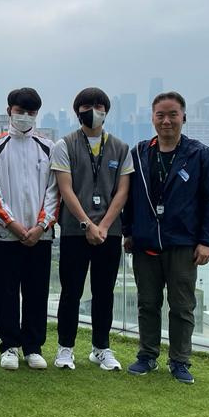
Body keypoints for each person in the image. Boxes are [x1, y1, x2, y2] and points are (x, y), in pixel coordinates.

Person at [122, 91, 209, 384]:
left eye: (172, 115)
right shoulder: (140, 153)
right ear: (152, 119)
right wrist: (128, 231)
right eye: (160, 115)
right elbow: (127, 196)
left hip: (183, 244)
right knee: (147, 303)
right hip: (145, 243)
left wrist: (207, 241)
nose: (166, 121)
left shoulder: (199, 155)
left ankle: (179, 361)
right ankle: (147, 355)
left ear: (184, 117)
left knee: (181, 306)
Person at [51, 87, 133, 373]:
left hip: (109, 233)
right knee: (70, 291)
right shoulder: (65, 145)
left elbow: (122, 191)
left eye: (99, 106)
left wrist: (104, 226)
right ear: (78, 112)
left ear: (106, 111)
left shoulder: (121, 148)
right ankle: (65, 348)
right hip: (75, 230)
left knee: (104, 292)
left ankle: (101, 348)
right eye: (87, 107)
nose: (93, 112)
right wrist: (87, 223)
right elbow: (65, 189)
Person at [0, 88, 59, 371]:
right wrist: (13, 224)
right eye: (20, 111)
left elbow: (54, 191)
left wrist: (41, 225)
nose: (25, 117)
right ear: (9, 111)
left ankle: (33, 347)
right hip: (7, 233)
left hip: (40, 234)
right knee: (6, 291)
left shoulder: (48, 147)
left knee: (37, 291)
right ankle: (9, 346)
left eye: (31, 112)